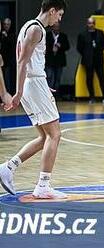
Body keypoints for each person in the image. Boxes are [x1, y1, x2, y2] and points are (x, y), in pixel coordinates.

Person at [0, 0, 67, 199]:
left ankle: (7, 168)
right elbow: (22, 62)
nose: (59, 19)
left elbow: (28, 63)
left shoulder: (28, 26)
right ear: (52, 10)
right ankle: (43, 185)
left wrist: (39, 85)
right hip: (32, 84)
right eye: (59, 15)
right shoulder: (37, 29)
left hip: (35, 83)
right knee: (55, 135)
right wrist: (18, 92)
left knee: (44, 137)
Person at [77, 17, 104, 104]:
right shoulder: (82, 34)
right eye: (89, 23)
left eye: (92, 23)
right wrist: (86, 54)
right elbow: (79, 48)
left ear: (94, 24)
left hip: (98, 59)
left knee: (102, 78)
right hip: (88, 60)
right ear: (87, 24)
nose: (90, 25)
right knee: (89, 79)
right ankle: (92, 97)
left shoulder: (100, 33)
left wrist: (98, 50)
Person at [45, 22, 70, 97]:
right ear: (52, 27)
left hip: (59, 61)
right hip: (49, 60)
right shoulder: (47, 35)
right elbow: (43, 46)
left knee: (58, 78)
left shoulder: (63, 36)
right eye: (55, 27)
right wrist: (51, 48)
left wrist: (60, 46)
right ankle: (49, 94)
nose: (56, 28)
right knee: (49, 77)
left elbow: (67, 47)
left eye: (58, 27)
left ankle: (56, 94)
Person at [0, 18, 16, 95]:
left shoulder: (12, 34)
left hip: (9, 61)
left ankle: (9, 94)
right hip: (1, 60)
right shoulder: (1, 34)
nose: (6, 26)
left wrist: (6, 37)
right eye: (5, 24)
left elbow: (13, 46)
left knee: (8, 79)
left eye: (8, 24)